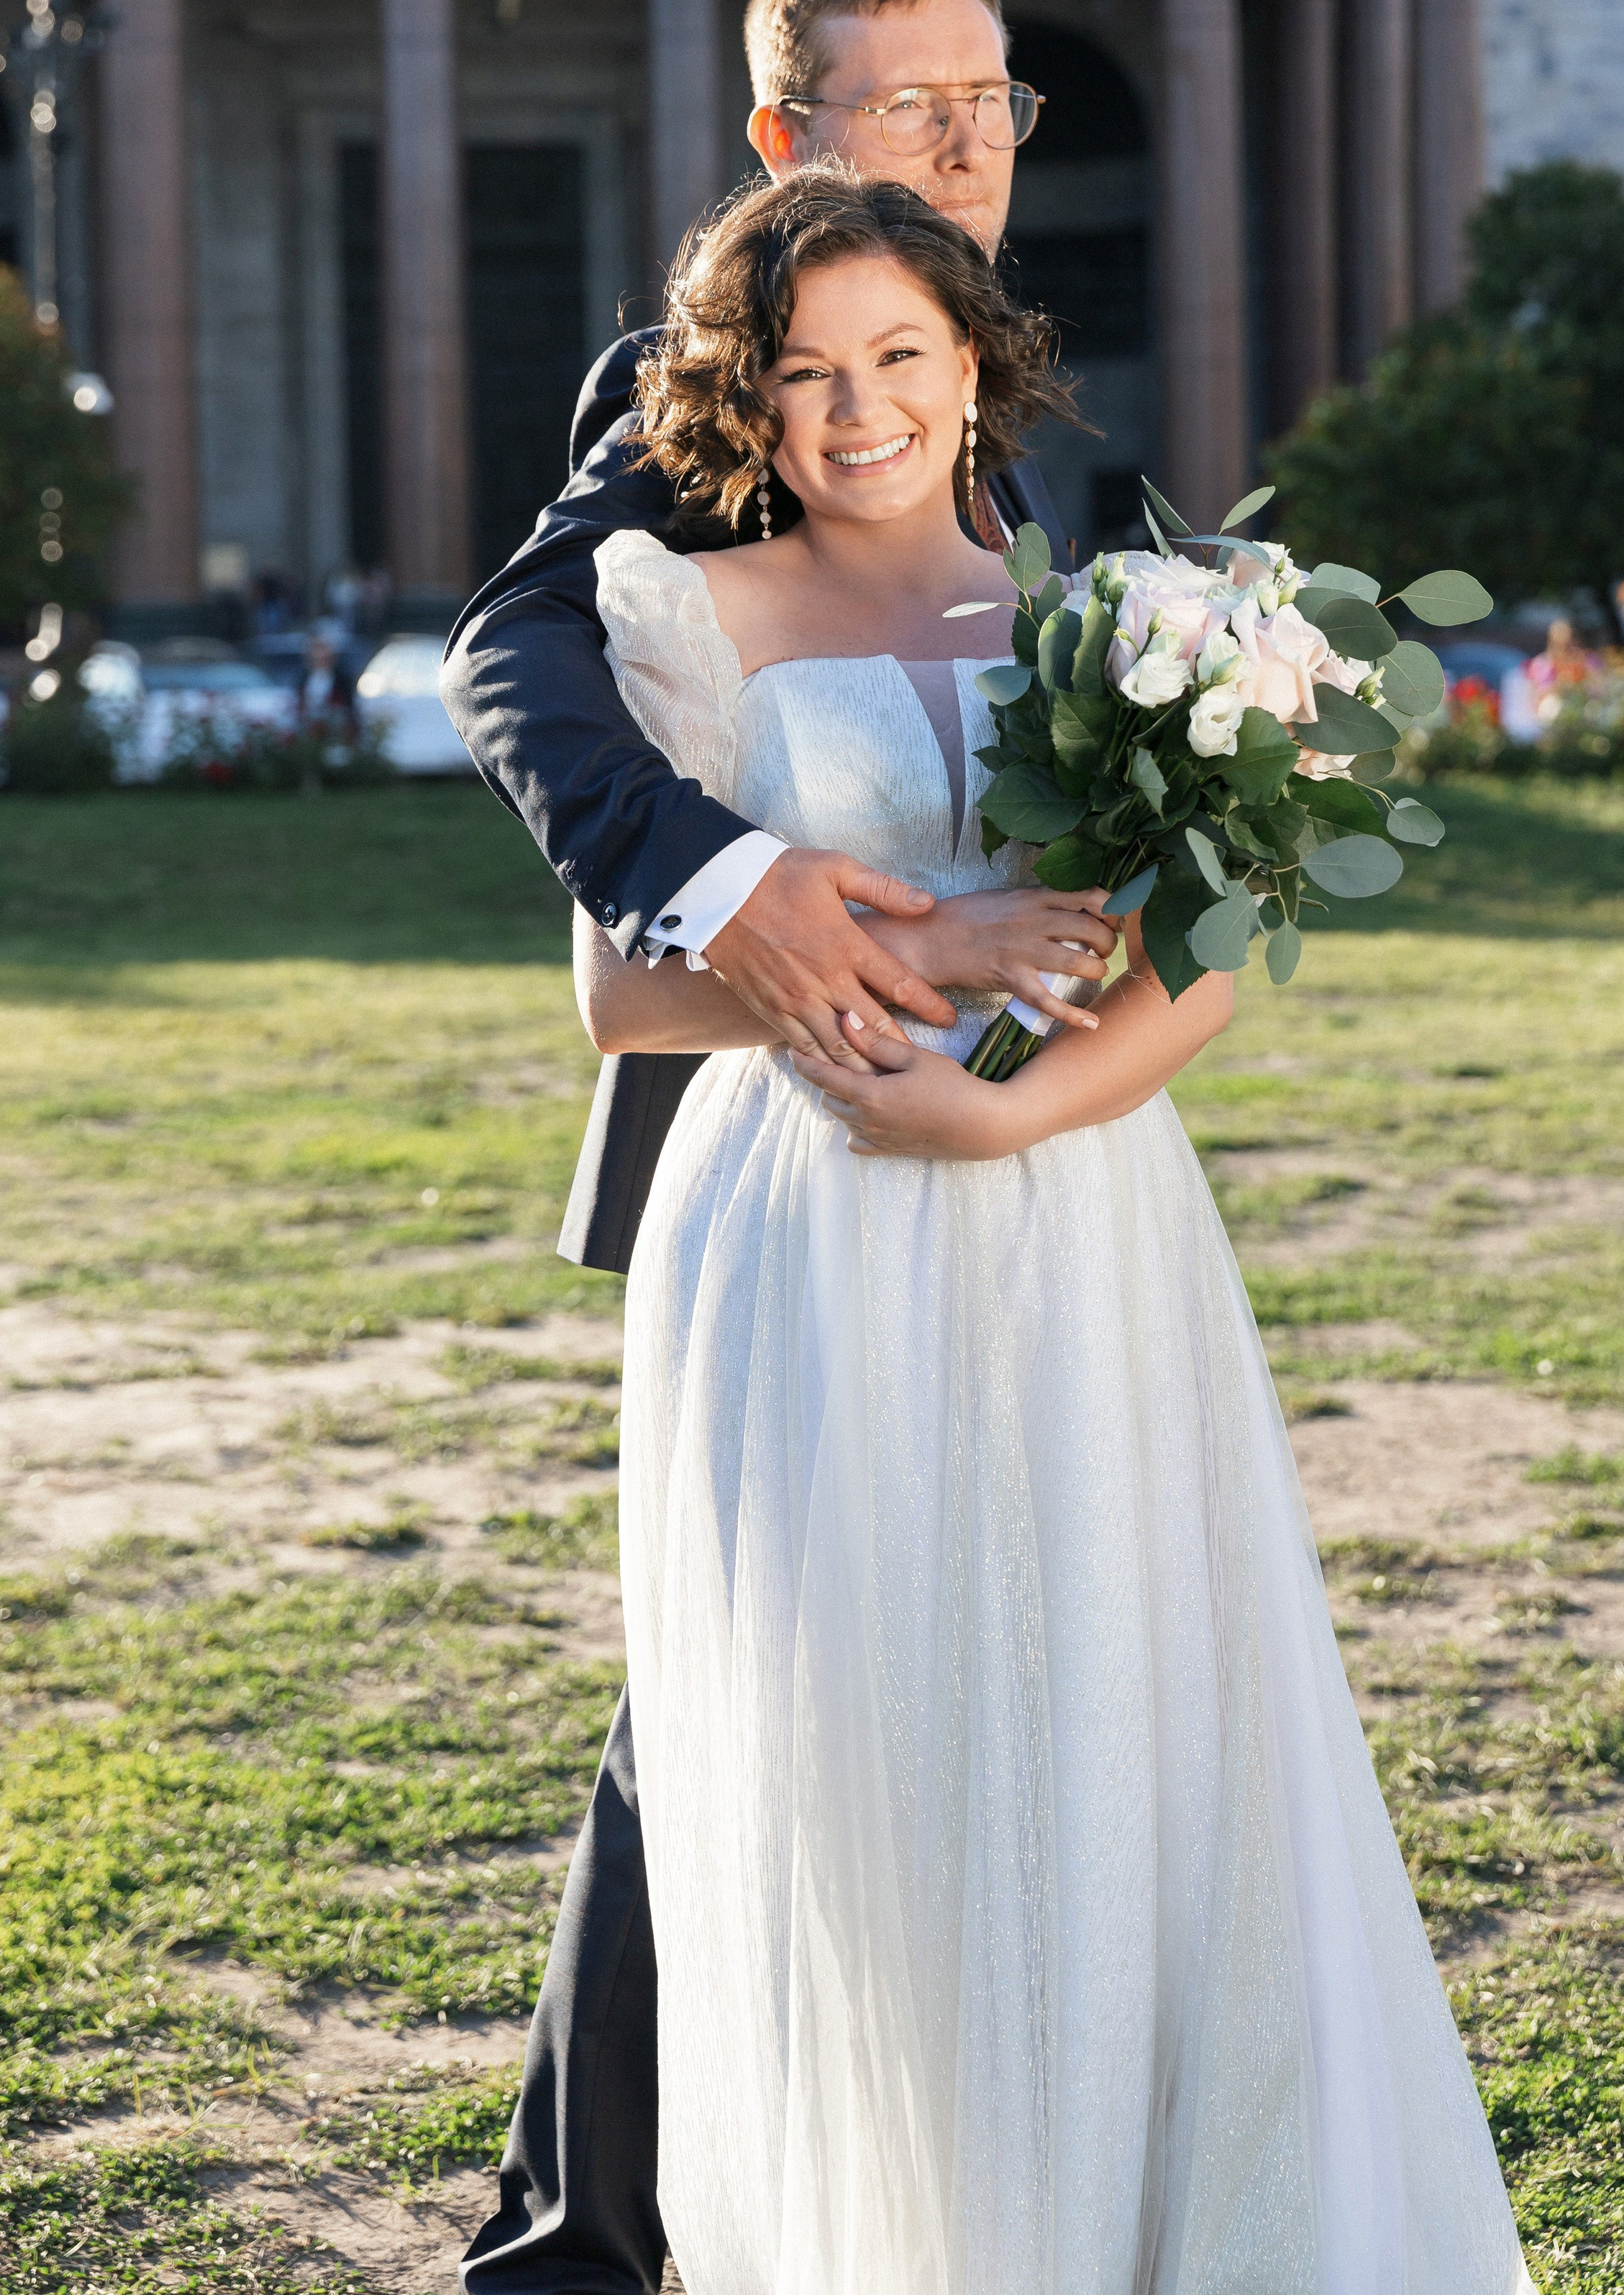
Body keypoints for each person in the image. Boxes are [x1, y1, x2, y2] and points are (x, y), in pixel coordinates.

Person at [571, 167, 1535, 2292]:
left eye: (897, 357)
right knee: (871, 1765)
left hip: (1084, 1228)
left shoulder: (1104, 613)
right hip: (808, 1231)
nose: (856, 411)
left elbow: (1198, 937)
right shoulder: (686, 614)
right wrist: (942, 954)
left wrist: (1016, 1111)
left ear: (972, 361)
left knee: (1118, 1719)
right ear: (746, 399)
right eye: (803, 374)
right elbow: (625, 991)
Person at [448, 0, 1092, 2295]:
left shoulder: (1019, 405)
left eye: (990, 100)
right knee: (709, 1721)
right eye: (904, 108)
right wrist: (725, 886)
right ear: (784, 145)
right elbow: (523, 648)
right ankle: (592, 2244)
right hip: (773, 1136)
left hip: (1025, 1182)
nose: (960, 143)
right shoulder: (720, 370)